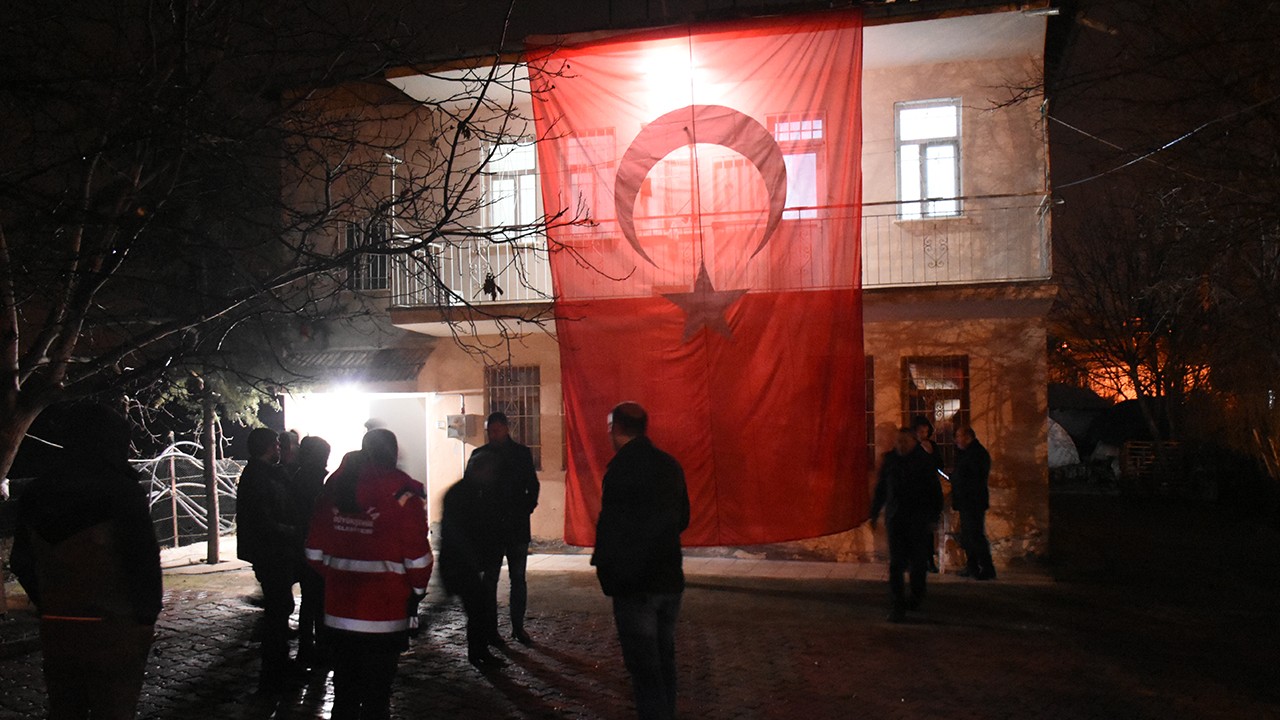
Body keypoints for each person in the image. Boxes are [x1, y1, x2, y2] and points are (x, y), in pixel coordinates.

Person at [10, 403, 163, 720]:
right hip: (115, 625)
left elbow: (21, 561)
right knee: (114, 707)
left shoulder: (37, 492)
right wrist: (145, 617)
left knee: (65, 707)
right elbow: (143, 563)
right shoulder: (122, 491)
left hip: (58, 625)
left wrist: (48, 603)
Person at [305, 429, 432, 720]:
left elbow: (313, 553)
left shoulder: (335, 486)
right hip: (385, 616)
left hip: (338, 615)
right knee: (377, 699)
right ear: (393, 454)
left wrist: (338, 577)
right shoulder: (403, 493)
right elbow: (418, 560)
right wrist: (416, 592)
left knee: (345, 696)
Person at [592, 402, 690, 720]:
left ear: (616, 429)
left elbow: (611, 528)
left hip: (635, 584)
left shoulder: (620, 470)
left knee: (644, 668)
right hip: (668, 577)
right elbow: (683, 518)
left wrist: (607, 572)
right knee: (664, 660)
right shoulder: (670, 465)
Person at [236, 427, 300, 694]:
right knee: (278, 609)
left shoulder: (263, 473)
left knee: (279, 608)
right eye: (275, 444)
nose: (279, 448)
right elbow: (263, 520)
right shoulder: (258, 476)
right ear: (266, 447)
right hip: (271, 552)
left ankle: (277, 666)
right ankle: (274, 672)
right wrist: (292, 532)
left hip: (273, 551)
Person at [471, 411, 540, 645]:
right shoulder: (480, 455)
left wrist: (526, 508)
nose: (493, 435)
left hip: (515, 526)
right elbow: (471, 491)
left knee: (517, 579)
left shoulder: (520, 454)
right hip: (492, 529)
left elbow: (532, 485)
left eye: (496, 430)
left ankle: (517, 627)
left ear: (506, 429)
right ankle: (492, 630)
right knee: (491, 580)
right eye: (490, 431)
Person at [439, 451, 507, 669]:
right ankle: (478, 653)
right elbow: (460, 532)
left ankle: (479, 652)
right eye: (488, 471)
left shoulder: (471, 491)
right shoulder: (464, 494)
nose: (491, 476)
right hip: (460, 563)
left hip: (465, 562)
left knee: (477, 608)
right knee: (478, 608)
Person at [870, 427, 944, 623]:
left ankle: (916, 596)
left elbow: (934, 492)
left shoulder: (924, 461)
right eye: (898, 442)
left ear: (913, 442)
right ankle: (897, 604)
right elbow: (881, 489)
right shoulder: (890, 460)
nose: (900, 445)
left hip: (918, 520)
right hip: (896, 519)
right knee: (896, 564)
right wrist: (874, 513)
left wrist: (933, 518)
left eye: (904, 442)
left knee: (918, 563)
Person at [289, 435, 332, 669]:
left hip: (307, 547)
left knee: (311, 600)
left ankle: (311, 647)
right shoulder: (311, 480)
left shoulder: (302, 477)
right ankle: (315, 648)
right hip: (312, 548)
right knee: (316, 600)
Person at [953, 426, 996, 580]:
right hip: (967, 501)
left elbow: (974, 477)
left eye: (959, 436)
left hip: (973, 501)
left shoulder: (977, 454)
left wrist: (957, 479)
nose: (956, 440)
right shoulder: (968, 453)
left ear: (968, 437)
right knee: (968, 536)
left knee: (975, 535)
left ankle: (986, 568)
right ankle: (972, 566)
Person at [911, 414, 944, 573]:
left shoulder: (932, 446)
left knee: (929, 528)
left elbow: (939, 465)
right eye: (920, 432)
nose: (923, 435)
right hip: (917, 491)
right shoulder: (912, 447)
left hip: (931, 491)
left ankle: (929, 559)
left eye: (925, 432)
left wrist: (931, 454)